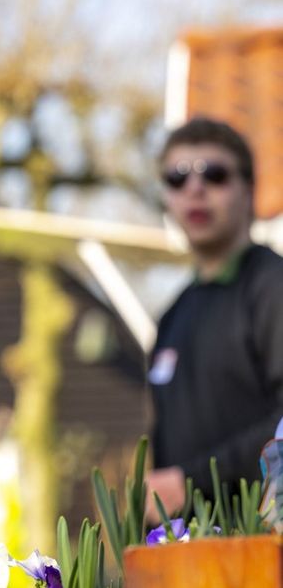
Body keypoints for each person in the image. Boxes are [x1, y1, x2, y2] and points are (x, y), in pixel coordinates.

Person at [145, 117, 283, 521]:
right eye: (177, 177)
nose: (195, 188)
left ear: (250, 190)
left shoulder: (272, 287)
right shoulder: (172, 314)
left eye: (215, 174)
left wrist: (192, 480)